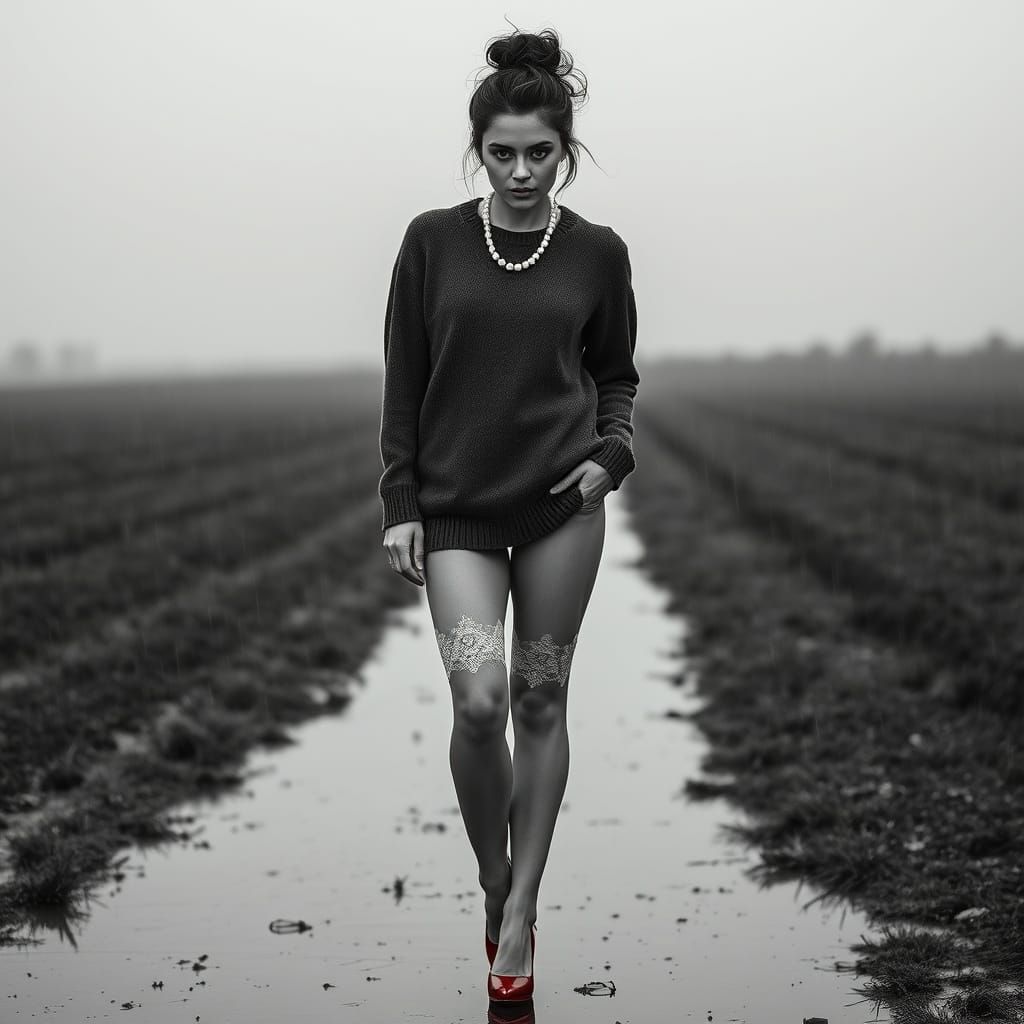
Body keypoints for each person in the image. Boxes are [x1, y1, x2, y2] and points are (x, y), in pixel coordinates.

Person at [378, 25, 640, 1007]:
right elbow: (403, 376)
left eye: (540, 152)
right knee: (478, 699)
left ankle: (522, 905)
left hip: (560, 510)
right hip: (454, 516)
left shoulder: (598, 254)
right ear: (477, 149)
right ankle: (492, 881)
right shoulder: (431, 242)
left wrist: (612, 454)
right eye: (502, 152)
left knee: (537, 699)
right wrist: (399, 499)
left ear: (563, 151)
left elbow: (615, 376)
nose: (522, 171)